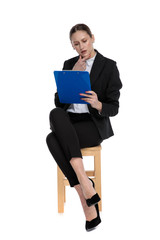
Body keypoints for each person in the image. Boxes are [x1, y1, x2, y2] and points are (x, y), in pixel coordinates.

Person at [46, 23, 122, 231]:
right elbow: (58, 102)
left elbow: (113, 107)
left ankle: (83, 192)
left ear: (92, 38)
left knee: (52, 139)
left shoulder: (108, 66)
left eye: (84, 41)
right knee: (55, 114)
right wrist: (72, 73)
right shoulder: (69, 63)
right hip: (69, 123)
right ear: (73, 46)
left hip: (92, 126)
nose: (81, 47)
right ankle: (85, 187)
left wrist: (98, 104)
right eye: (76, 44)